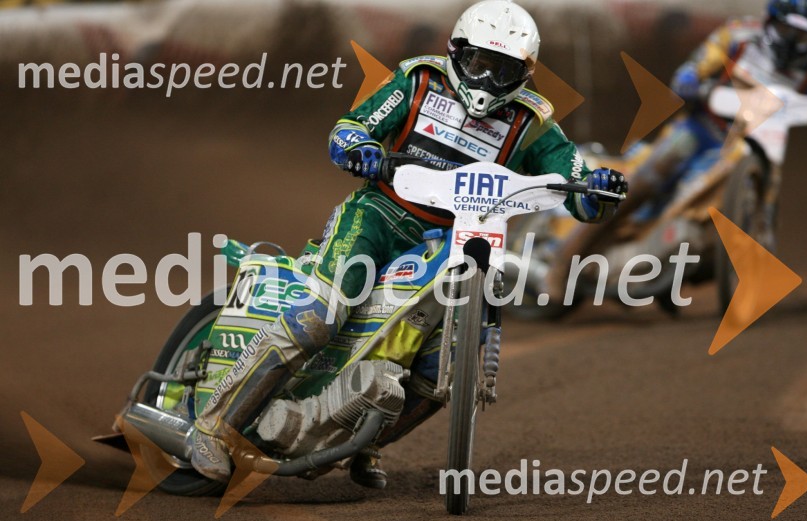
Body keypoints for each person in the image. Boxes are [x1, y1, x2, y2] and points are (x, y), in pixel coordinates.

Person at [187, 0, 627, 488]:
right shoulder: (417, 81)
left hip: (456, 240)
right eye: (480, 63)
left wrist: (601, 187)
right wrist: (364, 153)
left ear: (524, 73)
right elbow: (349, 129)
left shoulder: (533, 120)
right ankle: (213, 426)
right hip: (377, 216)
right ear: (457, 52)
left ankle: (363, 444)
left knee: (444, 370)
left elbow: (579, 185)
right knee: (320, 318)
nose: (486, 81)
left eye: (502, 70)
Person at [545, 0, 807, 290]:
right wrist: (691, 79)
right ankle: (565, 260)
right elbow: (697, 64)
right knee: (645, 179)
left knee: (725, 218)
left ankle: (697, 268)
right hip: (701, 130)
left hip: (757, 146)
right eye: (787, 30)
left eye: (803, 35)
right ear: (771, 20)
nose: (793, 42)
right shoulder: (739, 35)